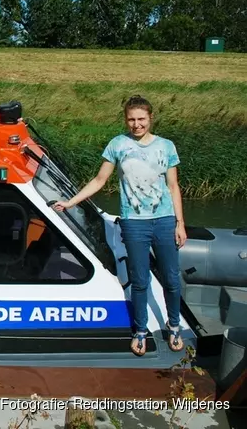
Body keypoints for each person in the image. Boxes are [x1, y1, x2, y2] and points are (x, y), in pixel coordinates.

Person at [52, 95, 187, 356]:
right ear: (126, 120)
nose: (137, 124)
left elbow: (173, 186)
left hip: (164, 220)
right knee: (139, 280)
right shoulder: (118, 144)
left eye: (142, 119)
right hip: (134, 223)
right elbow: (100, 180)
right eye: (132, 119)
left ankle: (174, 324)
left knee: (171, 278)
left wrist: (180, 223)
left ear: (150, 118)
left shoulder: (166, 146)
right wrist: (71, 202)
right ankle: (140, 329)